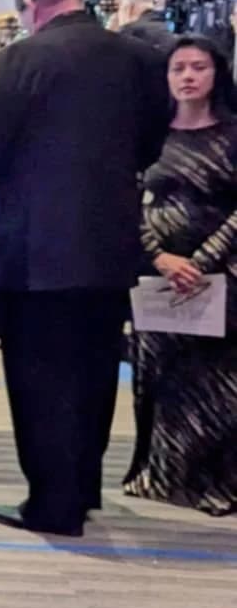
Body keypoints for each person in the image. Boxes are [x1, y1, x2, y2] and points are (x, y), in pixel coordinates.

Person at [0, 0, 166, 538]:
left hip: (34, 244)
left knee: (38, 375)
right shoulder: (139, 60)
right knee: (96, 368)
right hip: (109, 240)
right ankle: (83, 488)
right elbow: (151, 144)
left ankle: (51, 503)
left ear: (33, 4)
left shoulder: (16, 61)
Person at [123, 35, 237, 516]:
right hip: (157, 275)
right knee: (158, 378)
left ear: (217, 74)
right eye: (179, 68)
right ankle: (161, 473)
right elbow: (122, 199)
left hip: (221, 273)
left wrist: (204, 260)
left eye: (199, 67)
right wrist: (159, 257)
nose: (188, 76)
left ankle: (215, 483)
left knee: (217, 383)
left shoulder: (232, 134)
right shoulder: (146, 135)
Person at [112, 0, 176, 61]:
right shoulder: (161, 27)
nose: (116, 14)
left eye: (119, 7)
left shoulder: (132, 33)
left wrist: (124, 27)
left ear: (128, 7)